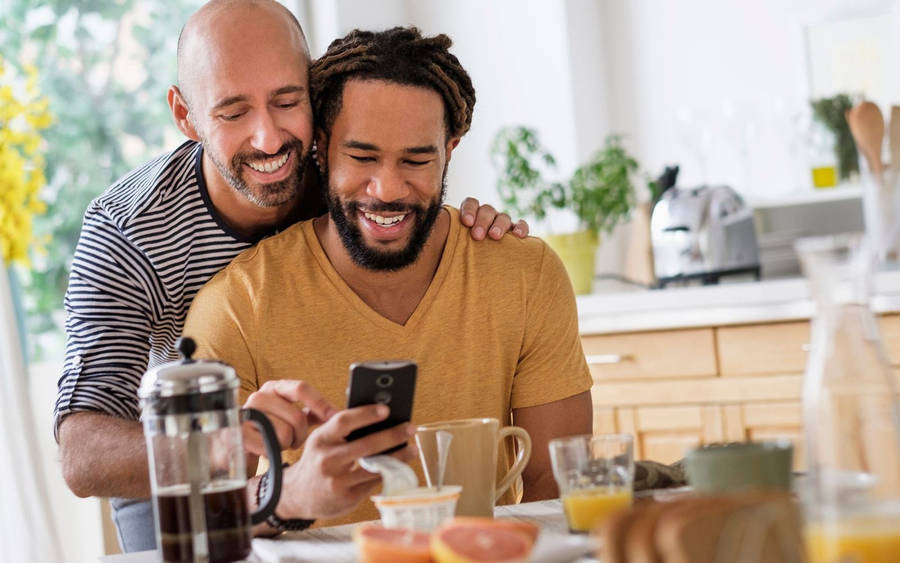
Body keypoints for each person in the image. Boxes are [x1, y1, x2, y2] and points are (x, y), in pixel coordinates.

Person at [53, 0, 526, 552]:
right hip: (175, 463)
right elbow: (81, 454)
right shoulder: (129, 232)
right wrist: (227, 445)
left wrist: (469, 230)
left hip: (303, 450)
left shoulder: (343, 172)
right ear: (185, 115)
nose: (269, 139)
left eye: (286, 101)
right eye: (233, 112)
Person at [184, 26, 594, 527]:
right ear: (320, 148)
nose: (387, 189)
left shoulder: (524, 274)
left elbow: (557, 487)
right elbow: (200, 516)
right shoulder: (238, 303)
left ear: (449, 150)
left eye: (417, 159)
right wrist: (285, 497)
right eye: (362, 157)